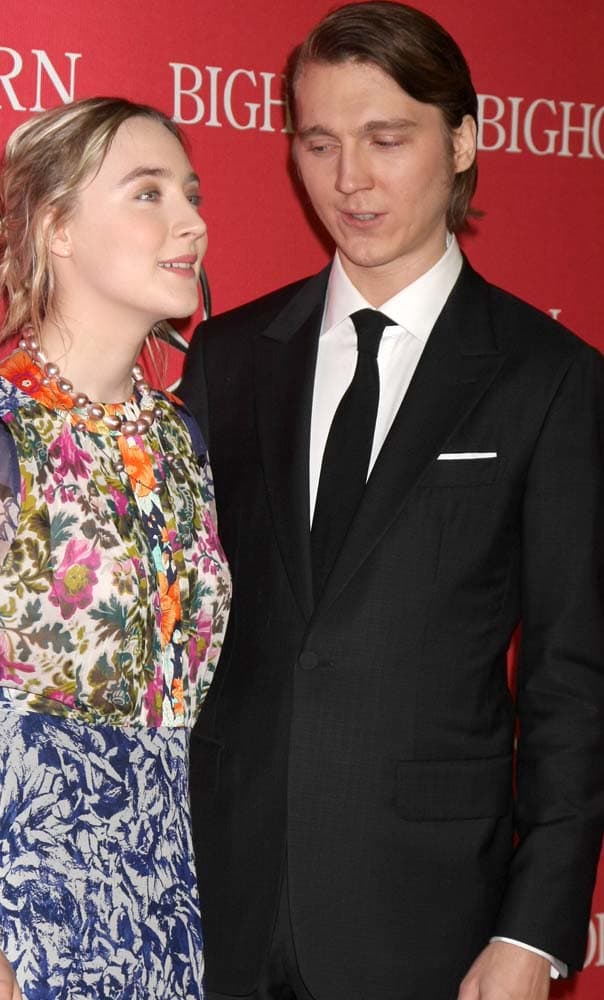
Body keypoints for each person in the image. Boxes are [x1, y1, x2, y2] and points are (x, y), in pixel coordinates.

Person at [179, 3, 604, 999]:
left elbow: (569, 682)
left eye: (385, 138)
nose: (348, 179)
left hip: (433, 923)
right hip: (222, 904)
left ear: (460, 140)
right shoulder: (229, 357)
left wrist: (533, 931)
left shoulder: (545, 378)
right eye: (319, 143)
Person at [0, 96, 231, 1000]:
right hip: (12, 932)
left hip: (162, 923)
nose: (192, 221)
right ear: (56, 229)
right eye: (148, 193)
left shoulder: (182, 445)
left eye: (192, 193)